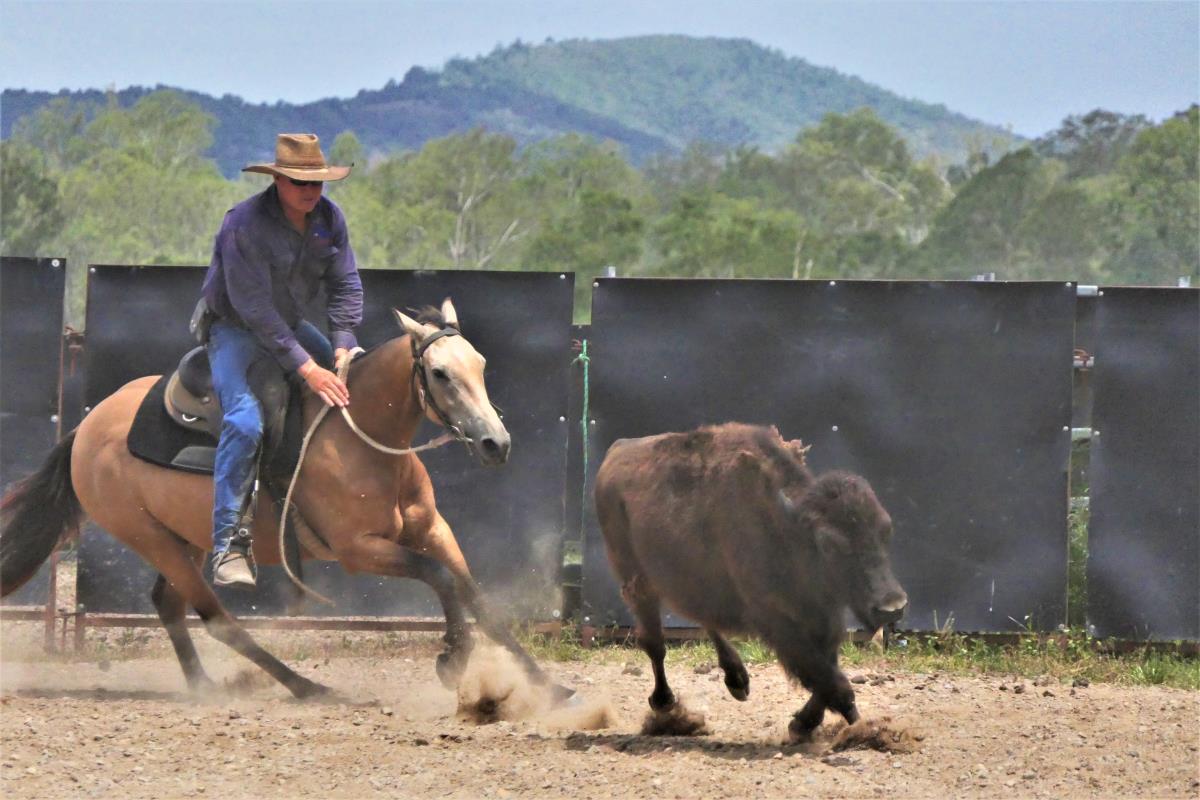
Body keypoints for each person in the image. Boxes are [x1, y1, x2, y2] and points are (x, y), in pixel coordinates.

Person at [200, 133, 362, 588]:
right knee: (244, 423)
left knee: (358, 382)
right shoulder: (244, 224)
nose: (310, 191)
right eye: (299, 182)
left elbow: (345, 284)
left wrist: (343, 342)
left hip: (288, 326)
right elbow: (253, 309)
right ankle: (228, 545)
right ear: (278, 180)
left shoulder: (330, 218)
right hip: (235, 328)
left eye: (316, 182)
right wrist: (308, 367)